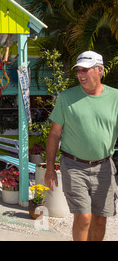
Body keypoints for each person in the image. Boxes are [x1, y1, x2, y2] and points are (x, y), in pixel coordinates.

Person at [45, 51, 118, 241]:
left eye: (85, 70)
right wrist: (50, 167)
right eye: (79, 70)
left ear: (100, 70)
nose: (81, 74)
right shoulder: (67, 98)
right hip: (74, 165)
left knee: (101, 219)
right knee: (84, 217)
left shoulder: (115, 98)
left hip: (104, 166)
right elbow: (54, 134)